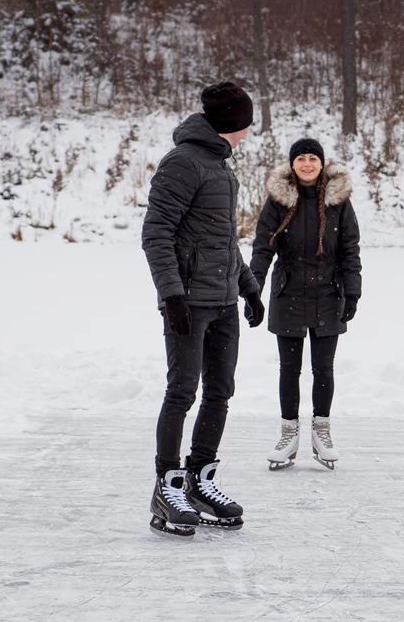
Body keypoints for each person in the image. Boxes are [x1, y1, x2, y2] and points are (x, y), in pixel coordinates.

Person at [142, 81, 265, 538]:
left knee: (220, 392)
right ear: (234, 123)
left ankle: (199, 479)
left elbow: (222, 241)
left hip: (222, 300)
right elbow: (156, 234)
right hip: (189, 301)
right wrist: (172, 296)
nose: (250, 129)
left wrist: (249, 288)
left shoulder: (219, 166)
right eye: (247, 121)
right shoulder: (182, 164)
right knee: (181, 391)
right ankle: (166, 484)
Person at [249, 138, 361, 471]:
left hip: (329, 293)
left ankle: (321, 432)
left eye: (313, 158)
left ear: (322, 163)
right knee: (289, 368)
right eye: (301, 159)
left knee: (323, 368)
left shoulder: (338, 201)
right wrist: (253, 291)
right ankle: (288, 435)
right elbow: (262, 248)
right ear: (293, 164)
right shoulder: (278, 201)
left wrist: (352, 292)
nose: (308, 164)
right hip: (289, 293)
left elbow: (350, 249)